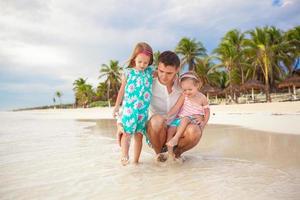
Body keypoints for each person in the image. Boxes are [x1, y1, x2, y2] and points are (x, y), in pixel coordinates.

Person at [117, 51, 206, 162]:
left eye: (169, 73)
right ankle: (159, 155)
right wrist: (120, 123)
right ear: (157, 67)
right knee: (157, 120)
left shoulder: (183, 85)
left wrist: (201, 117)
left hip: (176, 130)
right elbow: (130, 102)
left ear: (177, 70)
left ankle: (175, 154)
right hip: (155, 132)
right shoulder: (149, 83)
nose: (163, 76)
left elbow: (197, 101)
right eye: (161, 71)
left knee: (195, 131)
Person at [113, 42, 154, 166]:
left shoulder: (150, 72)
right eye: (140, 61)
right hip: (129, 109)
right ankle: (124, 156)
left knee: (139, 135)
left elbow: (163, 75)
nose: (142, 65)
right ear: (134, 58)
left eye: (146, 62)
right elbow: (122, 90)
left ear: (150, 62)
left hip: (142, 111)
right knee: (126, 133)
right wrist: (116, 106)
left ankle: (136, 161)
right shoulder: (128, 72)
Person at [165, 71, 210, 159]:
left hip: (192, 119)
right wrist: (167, 115)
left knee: (185, 119)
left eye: (190, 89)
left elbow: (207, 112)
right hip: (180, 119)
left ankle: (176, 139)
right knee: (170, 129)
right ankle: (170, 153)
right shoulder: (184, 96)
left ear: (197, 86)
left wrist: (204, 123)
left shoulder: (202, 97)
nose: (187, 92)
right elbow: (176, 107)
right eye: (184, 90)